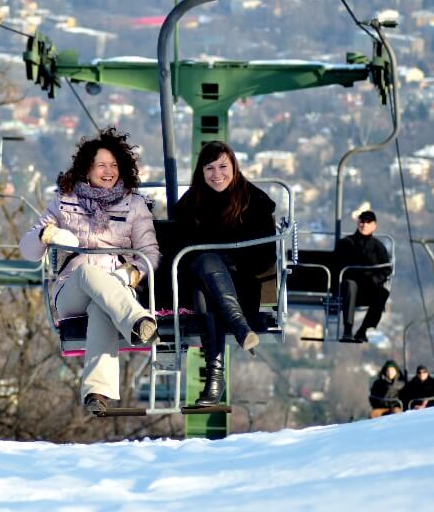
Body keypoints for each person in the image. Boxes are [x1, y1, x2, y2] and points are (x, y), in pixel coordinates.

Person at [19, 127, 161, 415]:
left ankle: (97, 393)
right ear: (87, 168)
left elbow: (150, 255)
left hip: (117, 286)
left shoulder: (134, 205)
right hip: (71, 290)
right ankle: (138, 322)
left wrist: (131, 275)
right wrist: (47, 234)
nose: (108, 172)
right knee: (86, 272)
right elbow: (27, 250)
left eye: (113, 165)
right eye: (101, 166)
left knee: (101, 306)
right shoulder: (64, 201)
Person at [172, 141, 277, 406]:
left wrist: (228, 260)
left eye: (222, 167)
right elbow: (180, 250)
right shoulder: (191, 203)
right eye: (209, 168)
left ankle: (214, 380)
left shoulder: (254, 201)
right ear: (201, 171)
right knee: (205, 269)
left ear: (234, 167)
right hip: (200, 281)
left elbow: (266, 256)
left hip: (242, 284)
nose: (216, 174)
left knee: (205, 284)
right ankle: (240, 328)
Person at [335, 210, 391, 342]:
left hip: (368, 287)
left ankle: (363, 330)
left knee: (382, 293)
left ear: (374, 226)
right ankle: (347, 329)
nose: (364, 225)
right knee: (351, 285)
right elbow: (337, 264)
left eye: (368, 222)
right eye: (362, 221)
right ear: (358, 223)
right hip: (349, 286)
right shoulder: (346, 243)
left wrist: (375, 279)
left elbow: (386, 269)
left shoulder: (378, 247)